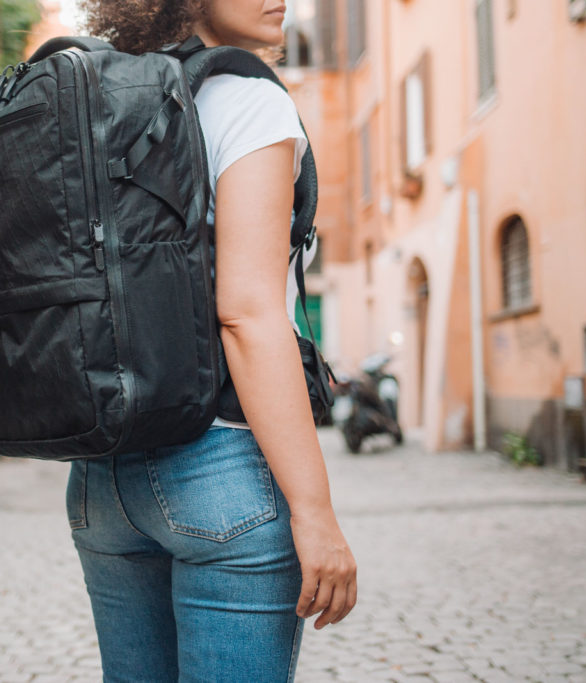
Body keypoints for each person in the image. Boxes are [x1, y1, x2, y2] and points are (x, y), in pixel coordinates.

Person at [68, 1, 358, 680]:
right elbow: (248, 313)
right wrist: (315, 514)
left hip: (103, 479)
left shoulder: (109, 102)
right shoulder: (249, 100)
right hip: (218, 467)